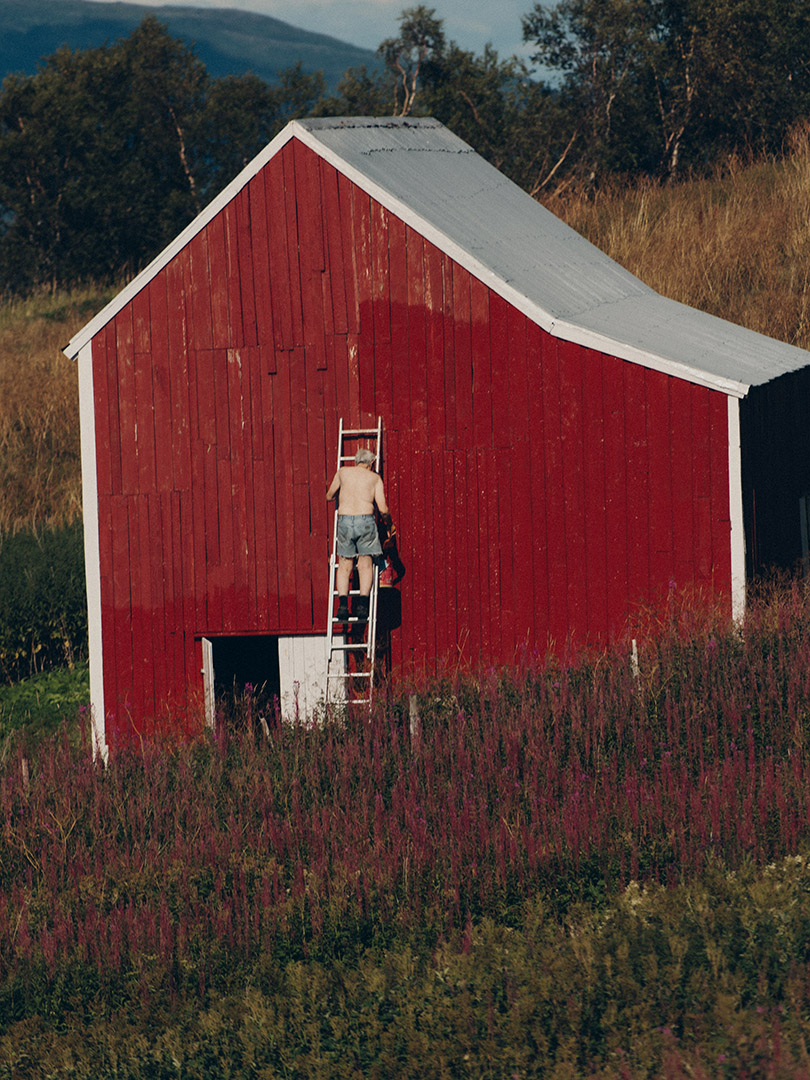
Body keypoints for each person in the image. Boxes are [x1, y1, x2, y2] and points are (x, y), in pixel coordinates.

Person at [326, 447, 390, 622]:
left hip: (345, 520)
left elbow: (329, 496)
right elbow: (383, 509)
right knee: (365, 564)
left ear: (356, 461)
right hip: (366, 521)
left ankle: (343, 606)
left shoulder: (343, 472)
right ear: (371, 463)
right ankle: (362, 605)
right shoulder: (374, 478)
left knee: (345, 564)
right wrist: (390, 524)